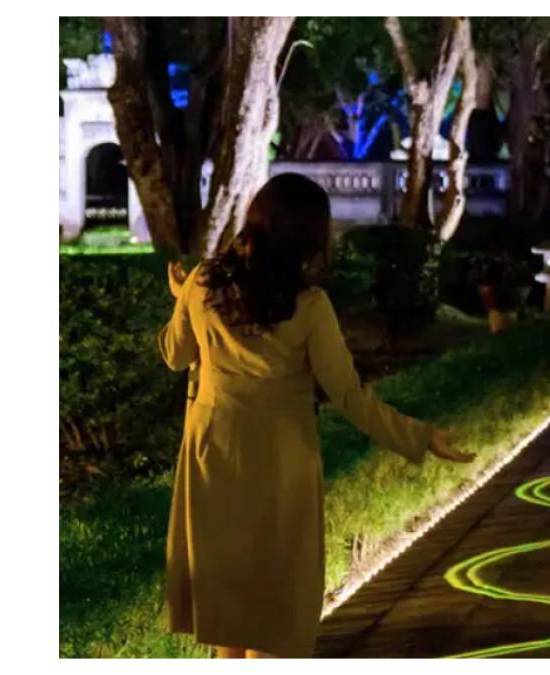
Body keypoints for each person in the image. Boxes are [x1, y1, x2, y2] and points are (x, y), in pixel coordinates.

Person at [159, 173, 474, 659]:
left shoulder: (203, 283)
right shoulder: (309, 306)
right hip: (282, 465)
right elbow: (349, 396)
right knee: (277, 612)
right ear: (308, 238)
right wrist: (420, 435)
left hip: (213, 458)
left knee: (229, 613)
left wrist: (183, 298)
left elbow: (174, 355)